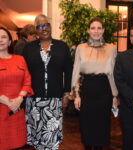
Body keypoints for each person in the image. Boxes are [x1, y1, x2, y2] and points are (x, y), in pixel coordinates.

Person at [23, 14, 73, 150]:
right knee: (38, 137)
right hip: (33, 101)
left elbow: (69, 72)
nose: (43, 29)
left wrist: (67, 94)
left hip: (55, 100)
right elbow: (24, 74)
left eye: (46, 25)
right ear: (36, 30)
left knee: (52, 138)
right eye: (39, 26)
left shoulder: (62, 46)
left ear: (50, 27)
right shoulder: (28, 48)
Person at [72, 17, 118, 150]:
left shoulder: (111, 48)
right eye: (93, 28)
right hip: (87, 89)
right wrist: (76, 95)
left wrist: (115, 95)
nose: (96, 31)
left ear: (103, 30)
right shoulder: (81, 48)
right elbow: (76, 72)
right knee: (86, 125)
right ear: (88, 30)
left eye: (99, 28)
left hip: (105, 89)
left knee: (102, 125)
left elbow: (113, 73)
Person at [0, 26, 33, 150]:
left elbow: (27, 80)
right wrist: (5, 100)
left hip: (17, 110)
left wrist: (20, 98)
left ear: (9, 41)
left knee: (18, 143)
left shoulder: (20, 59)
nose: (1, 40)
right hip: (2, 108)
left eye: (4, 37)